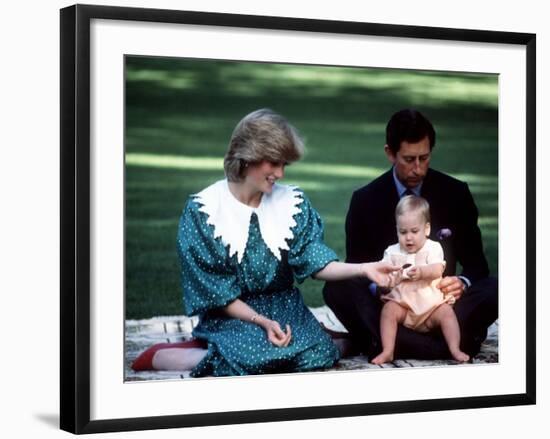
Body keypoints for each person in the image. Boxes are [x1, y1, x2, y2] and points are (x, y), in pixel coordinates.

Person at [132, 108, 398, 377]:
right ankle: (189, 354)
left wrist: (365, 268)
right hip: (231, 313)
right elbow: (216, 293)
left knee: (320, 354)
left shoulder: (291, 203)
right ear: (248, 157)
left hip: (284, 307)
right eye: (274, 163)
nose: (280, 173)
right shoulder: (205, 211)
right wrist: (262, 322)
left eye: (284, 164)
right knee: (254, 359)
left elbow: (315, 261)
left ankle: (313, 337)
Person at [323, 108, 498, 361]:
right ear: (390, 153)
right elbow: (357, 266)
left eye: (424, 158)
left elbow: (477, 265)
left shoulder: (456, 193)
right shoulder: (365, 200)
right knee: (336, 288)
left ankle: (385, 343)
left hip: (441, 305)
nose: (418, 168)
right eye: (409, 159)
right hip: (392, 306)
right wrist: (379, 288)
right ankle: (447, 345)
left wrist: (462, 283)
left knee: (496, 288)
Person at [371, 195, 469, 365]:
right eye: (403, 232)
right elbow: (383, 272)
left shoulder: (433, 247)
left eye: (414, 231)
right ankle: (388, 350)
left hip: (431, 307)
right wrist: (389, 279)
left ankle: (455, 348)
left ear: (427, 229)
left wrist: (423, 272)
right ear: (397, 230)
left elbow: (438, 268)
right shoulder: (392, 251)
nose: (408, 237)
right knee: (388, 310)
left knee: (447, 313)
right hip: (404, 307)